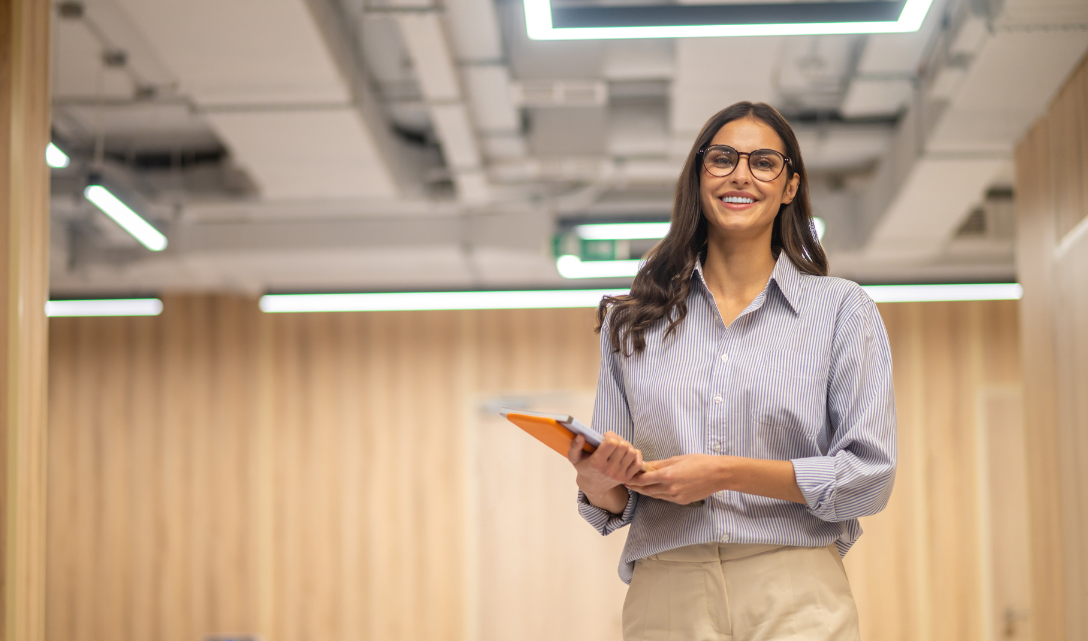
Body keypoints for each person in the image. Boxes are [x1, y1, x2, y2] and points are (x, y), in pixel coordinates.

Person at [566, 101, 896, 641]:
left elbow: (869, 479)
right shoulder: (632, 321)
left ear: (789, 186)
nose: (740, 175)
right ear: (699, 177)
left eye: (763, 162)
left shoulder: (842, 310)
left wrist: (724, 473)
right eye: (722, 159)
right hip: (666, 592)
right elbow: (616, 499)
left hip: (795, 589)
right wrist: (597, 480)